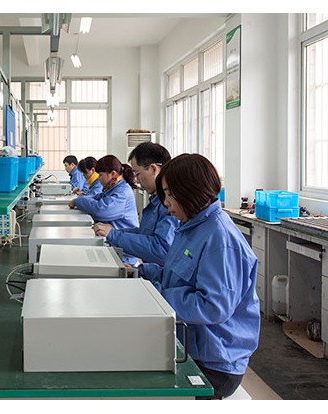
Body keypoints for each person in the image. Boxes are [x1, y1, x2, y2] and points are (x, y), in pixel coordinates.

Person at [140, 153, 260, 399]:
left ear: (191, 191)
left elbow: (212, 306)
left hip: (214, 363)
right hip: (190, 345)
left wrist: (155, 297)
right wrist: (141, 274)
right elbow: (176, 274)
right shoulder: (190, 227)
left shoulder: (220, 239)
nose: (166, 203)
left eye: (170, 194)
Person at [92, 142, 178, 266]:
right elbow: (144, 233)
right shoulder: (156, 200)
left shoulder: (169, 203)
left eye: (137, 173)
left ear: (153, 169)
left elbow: (161, 250)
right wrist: (113, 232)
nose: (136, 180)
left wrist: (114, 234)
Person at [69, 154, 139, 230]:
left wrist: (78, 201)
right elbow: (97, 197)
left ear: (113, 174)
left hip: (123, 235)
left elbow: (100, 210)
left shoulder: (122, 192)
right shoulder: (113, 187)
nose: (98, 179)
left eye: (100, 175)